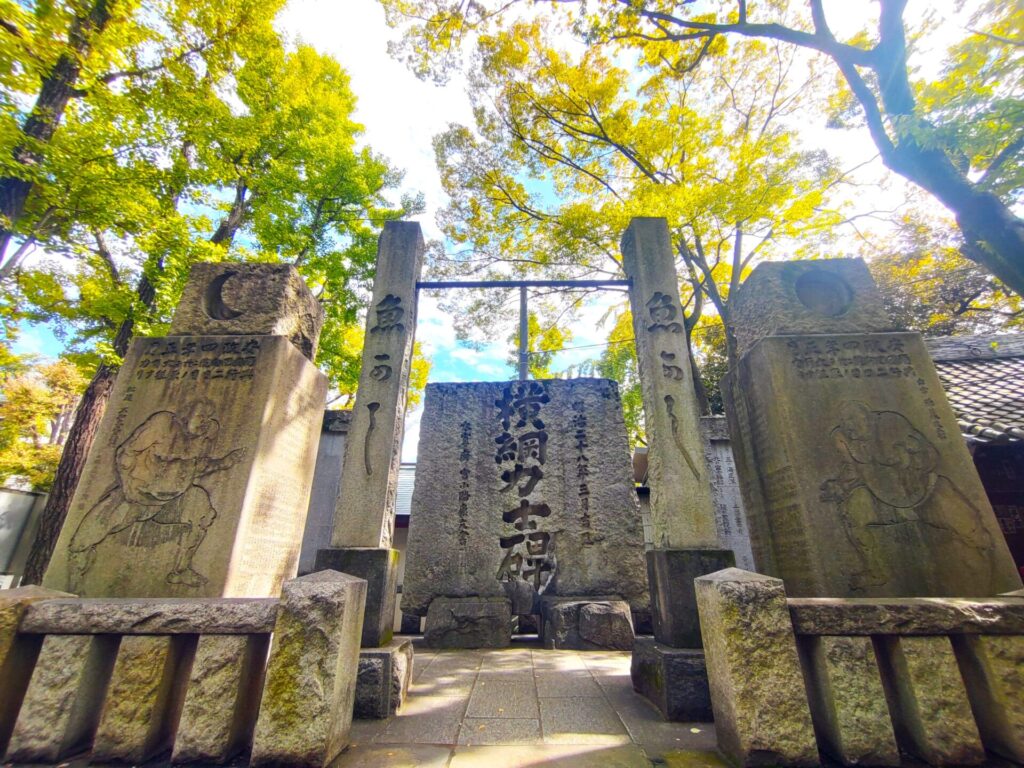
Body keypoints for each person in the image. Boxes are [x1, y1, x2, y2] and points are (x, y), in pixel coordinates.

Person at [67, 399, 244, 589]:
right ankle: (75, 577)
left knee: (203, 512)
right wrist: (128, 486)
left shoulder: (202, 438)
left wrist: (225, 462)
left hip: (175, 497)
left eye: (208, 419)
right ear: (186, 415)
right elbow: (126, 453)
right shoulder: (162, 424)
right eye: (201, 417)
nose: (204, 423)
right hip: (140, 495)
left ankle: (181, 569)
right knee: (85, 538)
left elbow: (198, 467)